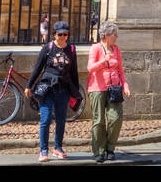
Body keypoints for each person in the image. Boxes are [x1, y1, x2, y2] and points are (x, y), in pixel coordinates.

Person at [25, 21, 80, 161]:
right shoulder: (48, 48)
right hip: (47, 89)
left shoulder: (72, 50)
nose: (62, 37)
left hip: (64, 90)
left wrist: (76, 92)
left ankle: (57, 148)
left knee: (61, 120)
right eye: (59, 34)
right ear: (54, 35)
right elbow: (37, 68)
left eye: (65, 34)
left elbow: (74, 72)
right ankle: (43, 150)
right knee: (46, 119)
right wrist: (29, 85)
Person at [88, 21, 130, 162]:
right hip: (97, 88)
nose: (116, 37)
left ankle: (110, 147)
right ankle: (99, 150)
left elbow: (120, 70)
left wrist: (125, 85)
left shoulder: (116, 50)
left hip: (115, 88)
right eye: (114, 34)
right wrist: (102, 61)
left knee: (116, 118)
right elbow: (90, 68)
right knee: (99, 120)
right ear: (106, 35)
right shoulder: (95, 48)